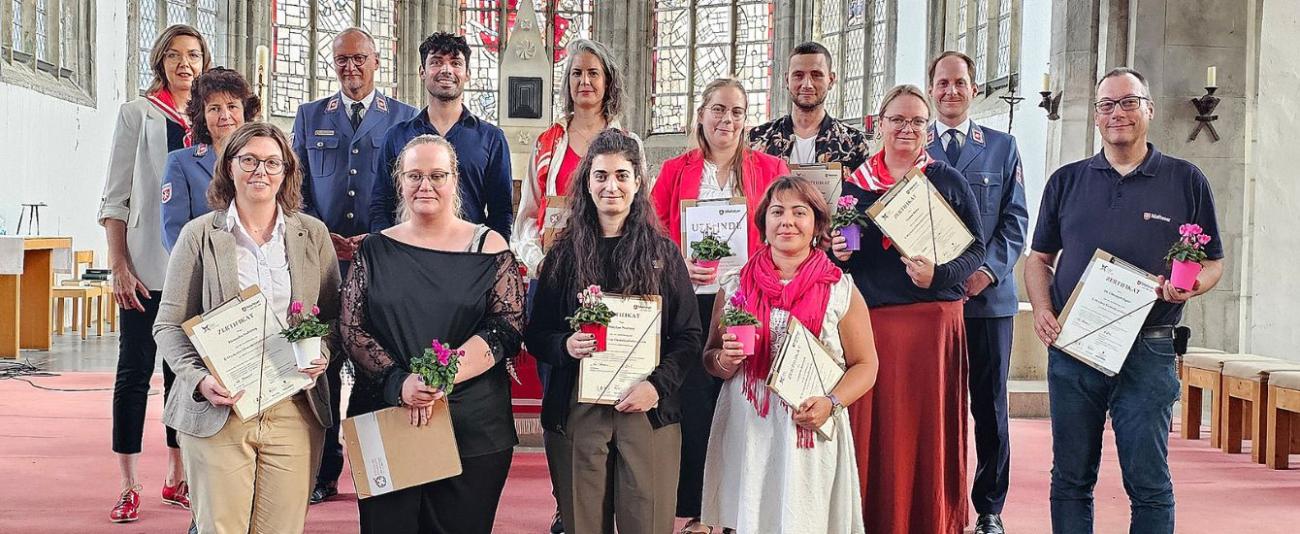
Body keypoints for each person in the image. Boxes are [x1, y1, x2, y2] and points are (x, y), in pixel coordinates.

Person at [1026, 67, 1223, 534]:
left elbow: (1213, 262)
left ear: (1148, 110)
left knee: (1149, 482)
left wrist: (1192, 285)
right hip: (1076, 347)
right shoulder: (1065, 181)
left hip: (1149, 347)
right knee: (1071, 477)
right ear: (1096, 116)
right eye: (1107, 105)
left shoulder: (1185, 179)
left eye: (1128, 102)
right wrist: (1042, 310)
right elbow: (1038, 260)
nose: (1118, 113)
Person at [152, 122, 340, 534]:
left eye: (273, 163)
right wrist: (199, 380)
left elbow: (332, 318)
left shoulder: (313, 235)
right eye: (249, 160)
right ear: (230, 167)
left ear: (287, 172)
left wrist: (320, 353)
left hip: (293, 407)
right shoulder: (199, 235)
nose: (261, 172)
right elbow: (168, 325)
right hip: (220, 408)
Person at [341, 134, 525, 534]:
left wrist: (440, 378)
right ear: (400, 181)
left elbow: (506, 327)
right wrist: (401, 382)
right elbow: (352, 329)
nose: (426, 185)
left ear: (455, 180)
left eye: (438, 175)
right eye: (415, 175)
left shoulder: (489, 246)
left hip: (472, 427)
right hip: (388, 417)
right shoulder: (374, 249)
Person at [526, 129, 702, 534]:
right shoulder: (564, 255)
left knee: (648, 521)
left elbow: (689, 335)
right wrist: (565, 345)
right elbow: (537, 334)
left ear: (638, 182)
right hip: (578, 407)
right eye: (601, 176)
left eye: (622, 176)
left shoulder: (663, 252)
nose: (611, 186)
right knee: (584, 522)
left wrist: (657, 386)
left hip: (647, 407)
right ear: (587, 182)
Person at [833, 84, 986, 534]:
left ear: (928, 128)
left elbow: (975, 251)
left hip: (932, 329)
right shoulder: (854, 186)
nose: (907, 129)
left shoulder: (946, 180)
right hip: (872, 326)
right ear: (879, 124)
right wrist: (838, 252)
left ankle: (929, 521)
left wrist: (938, 275)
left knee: (926, 436)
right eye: (897, 120)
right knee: (877, 436)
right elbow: (838, 255)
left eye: (917, 121)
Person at [649, 77, 790, 534]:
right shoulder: (675, 169)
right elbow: (652, 235)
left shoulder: (770, 168)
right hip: (689, 300)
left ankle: (741, 508)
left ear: (745, 120)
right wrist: (678, 265)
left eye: (736, 112)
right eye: (718, 110)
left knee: (742, 405)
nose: (726, 119)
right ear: (701, 114)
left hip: (747, 298)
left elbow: (783, 229)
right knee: (695, 404)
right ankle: (698, 511)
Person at [699, 176, 878, 533]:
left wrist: (831, 402)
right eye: (777, 212)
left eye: (800, 212)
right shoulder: (735, 284)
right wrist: (725, 361)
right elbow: (710, 358)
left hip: (807, 422)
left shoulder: (839, 288)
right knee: (749, 516)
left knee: (803, 518)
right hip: (749, 423)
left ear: (817, 226)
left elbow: (866, 365)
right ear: (763, 223)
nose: (787, 221)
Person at [509, 37, 635, 534]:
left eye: (594, 74)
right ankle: (568, 501)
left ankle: (610, 497)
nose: (585, 82)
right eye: (577, 74)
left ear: (608, 83)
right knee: (561, 389)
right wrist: (536, 258)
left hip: (615, 284)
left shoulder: (628, 142)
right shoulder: (546, 143)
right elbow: (527, 216)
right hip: (557, 281)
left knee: (611, 393)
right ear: (566, 83)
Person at [290, 26, 419, 506]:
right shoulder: (308, 117)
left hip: (379, 263)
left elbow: (410, 188)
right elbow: (295, 187)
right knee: (319, 370)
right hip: (321, 266)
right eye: (341, 60)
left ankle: (377, 467)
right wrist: (319, 236)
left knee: (374, 367)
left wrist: (380, 236)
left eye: (359, 58)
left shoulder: (404, 118)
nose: (351, 67)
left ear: (377, 60)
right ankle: (322, 471)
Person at [98, 23, 210, 524]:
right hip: (146, 267)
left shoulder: (212, 121)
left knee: (183, 378)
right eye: (175, 55)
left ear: (204, 63)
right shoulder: (137, 115)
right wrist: (119, 264)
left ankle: (177, 475)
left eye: (194, 55)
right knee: (133, 373)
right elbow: (115, 198)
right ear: (160, 62)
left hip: (198, 272)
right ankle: (127, 484)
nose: (185, 64)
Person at [925, 51, 1028, 534]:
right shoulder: (912, 144)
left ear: (973, 88)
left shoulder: (1002, 147)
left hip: (988, 302)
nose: (951, 91)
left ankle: (989, 508)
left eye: (959, 83)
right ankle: (933, 502)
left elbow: (1014, 222)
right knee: (932, 408)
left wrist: (985, 272)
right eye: (942, 83)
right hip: (926, 303)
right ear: (931, 88)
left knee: (989, 408)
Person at [369, 32, 513, 238]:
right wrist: (386, 250)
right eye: (436, 62)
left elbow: (501, 212)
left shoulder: (491, 138)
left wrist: (492, 258)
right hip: (408, 253)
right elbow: (381, 203)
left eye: (455, 63)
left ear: (467, 73)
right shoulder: (397, 136)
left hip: (469, 256)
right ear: (422, 71)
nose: (446, 70)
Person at [748, 41, 871, 190]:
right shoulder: (757, 139)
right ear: (787, 80)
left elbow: (861, 202)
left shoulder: (853, 142)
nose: (807, 84)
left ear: (831, 80)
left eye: (816, 75)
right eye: (798, 75)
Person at [162, 67, 260, 251]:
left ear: (245, 112)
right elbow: (174, 232)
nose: (225, 116)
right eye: (215, 108)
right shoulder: (181, 163)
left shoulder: (263, 159)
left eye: (232, 106)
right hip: (205, 270)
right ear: (202, 116)